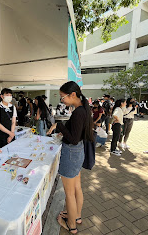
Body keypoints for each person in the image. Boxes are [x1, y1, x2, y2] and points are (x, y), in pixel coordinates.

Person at [47, 81, 94, 234]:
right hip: (78, 151)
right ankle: (76, 216)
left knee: (69, 193)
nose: (62, 100)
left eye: (63, 97)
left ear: (72, 94)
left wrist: (59, 125)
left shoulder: (79, 111)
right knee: (77, 188)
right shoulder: (83, 109)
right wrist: (64, 129)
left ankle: (71, 225)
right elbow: (76, 133)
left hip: (72, 153)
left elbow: (73, 139)